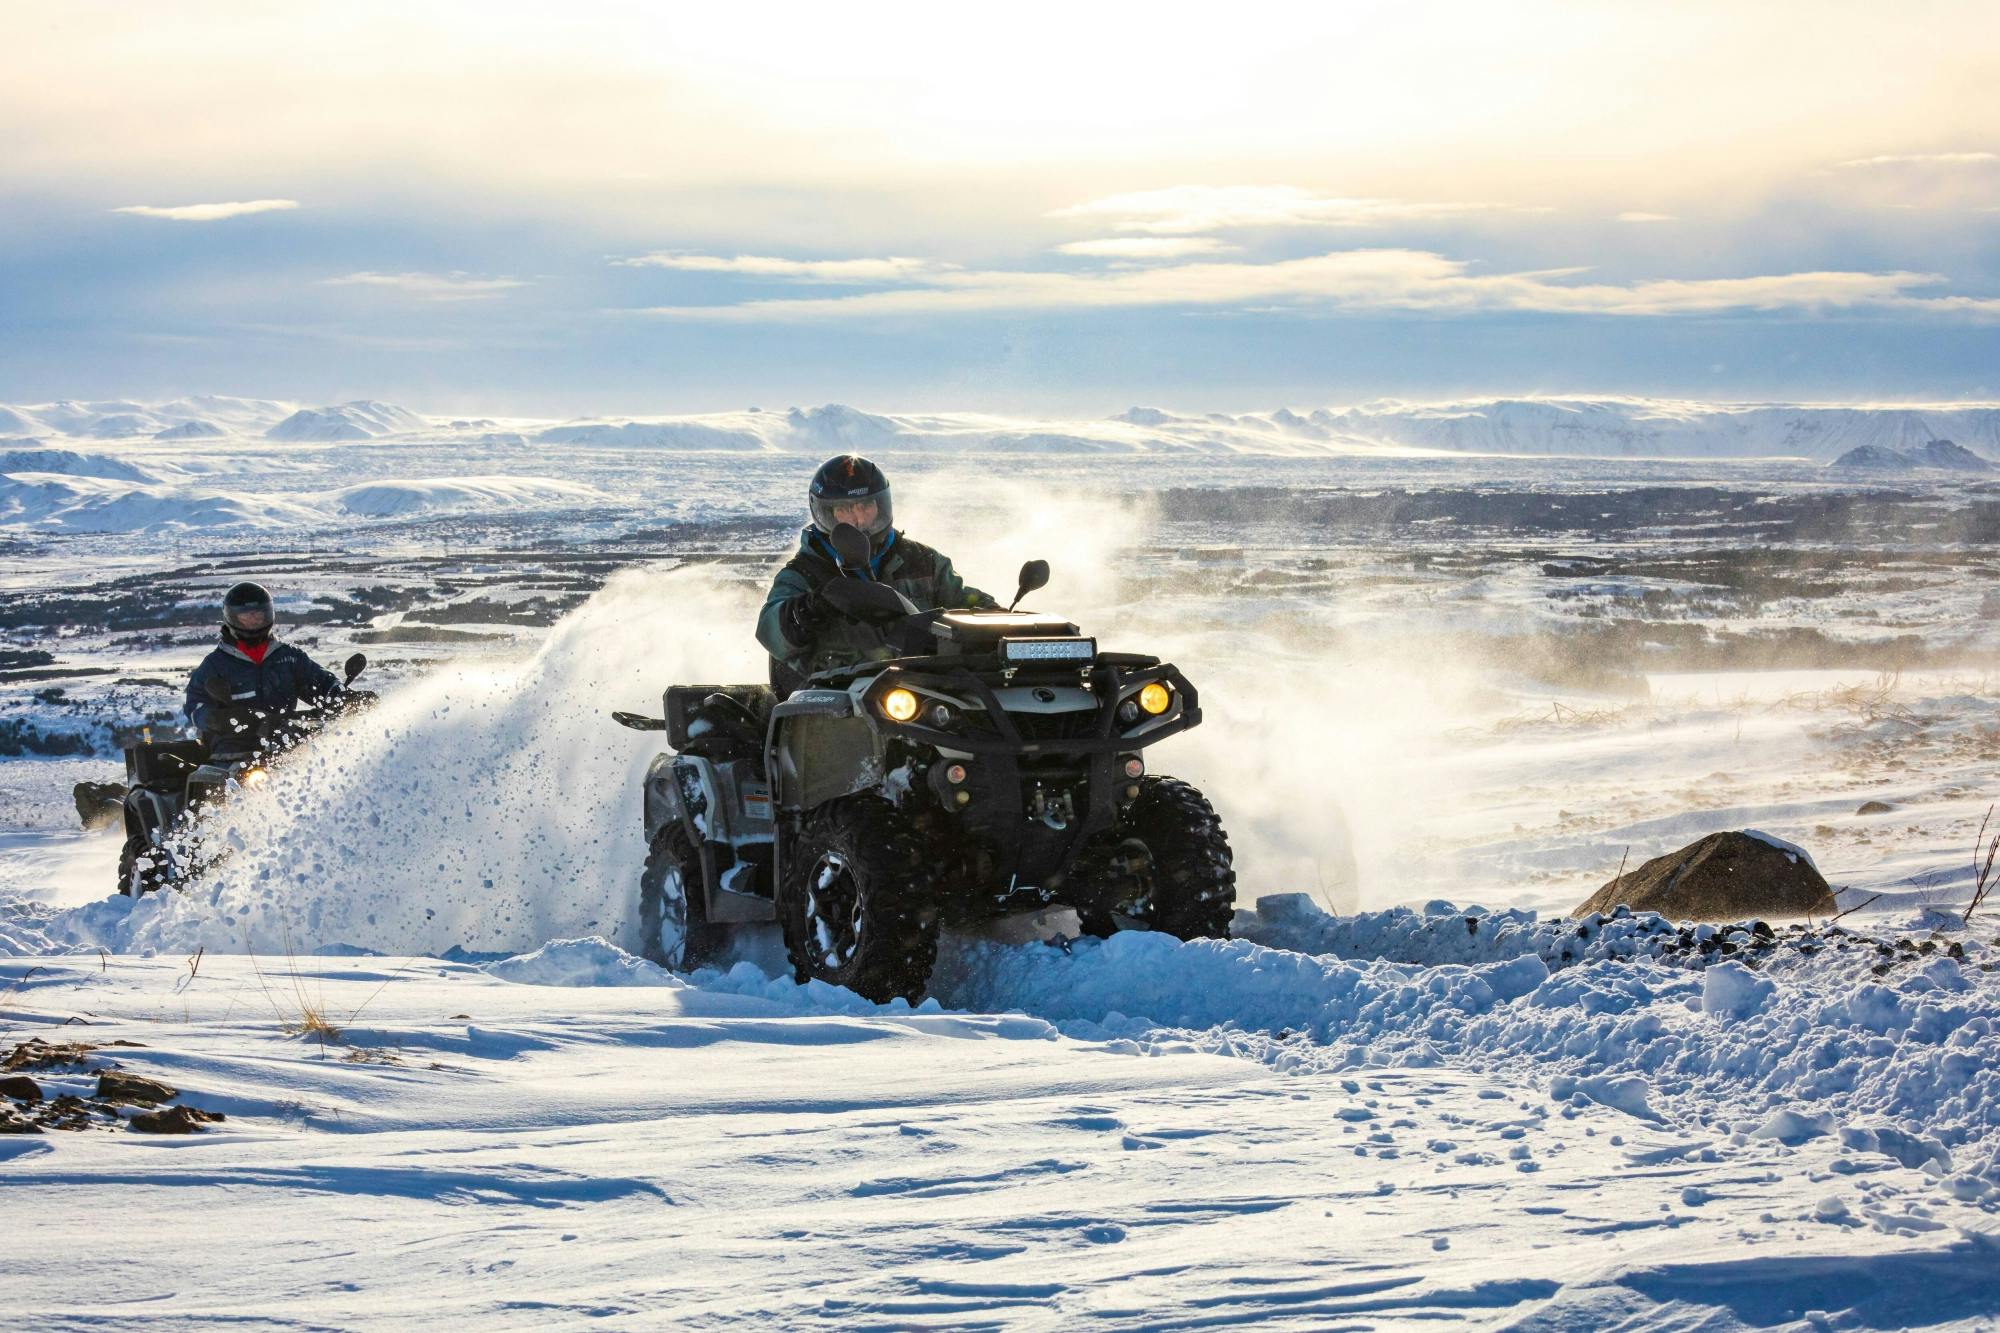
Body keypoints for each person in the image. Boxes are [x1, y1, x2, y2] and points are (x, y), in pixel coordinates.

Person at [757, 455, 995, 693]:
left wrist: (997, 619)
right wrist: (811, 608)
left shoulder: (922, 561)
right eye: (846, 509)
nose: (859, 519)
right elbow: (770, 631)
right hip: (838, 697)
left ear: (880, 506)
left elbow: (964, 600)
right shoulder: (805, 573)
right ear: (827, 514)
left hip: (924, 691)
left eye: (866, 506)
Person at [184, 582, 345, 749]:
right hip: (233, 749)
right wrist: (216, 719)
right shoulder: (215, 664)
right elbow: (195, 705)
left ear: (268, 614)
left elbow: (321, 683)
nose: (253, 621)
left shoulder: (289, 657)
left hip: (287, 743)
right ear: (232, 617)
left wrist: (344, 696)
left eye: (258, 615)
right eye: (245, 617)